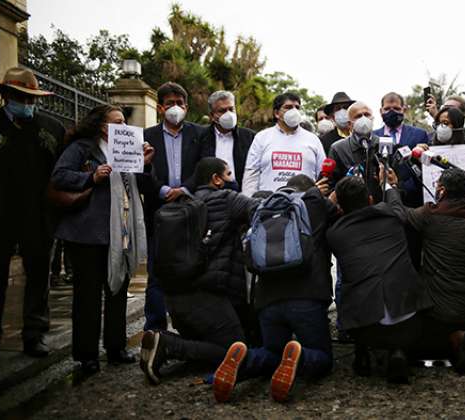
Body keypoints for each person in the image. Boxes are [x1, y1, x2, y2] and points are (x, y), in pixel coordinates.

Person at [0, 67, 65, 364]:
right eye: (21, 97)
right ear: (5, 96)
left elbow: (60, 174)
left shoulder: (51, 128)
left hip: (38, 216)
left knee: (39, 276)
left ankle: (34, 335)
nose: (27, 102)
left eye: (31, 97)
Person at [212, 174, 337, 403]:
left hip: (267, 301)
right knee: (322, 358)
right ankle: (300, 358)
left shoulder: (264, 209)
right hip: (306, 298)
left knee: (272, 353)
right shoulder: (314, 204)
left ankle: (245, 360)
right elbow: (335, 209)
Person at [52, 104, 153, 374]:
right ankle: (87, 355)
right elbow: (59, 176)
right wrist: (91, 177)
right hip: (86, 233)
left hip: (120, 231)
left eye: (123, 121)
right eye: (116, 121)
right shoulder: (83, 148)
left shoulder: (129, 149)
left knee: (117, 290)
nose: (122, 125)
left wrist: (145, 165)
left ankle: (116, 347)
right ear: (101, 125)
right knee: (87, 295)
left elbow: (141, 185)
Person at [139, 158, 254, 385]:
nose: (232, 179)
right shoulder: (227, 198)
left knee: (211, 348)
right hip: (205, 298)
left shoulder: (184, 202)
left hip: (175, 298)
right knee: (236, 352)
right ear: (216, 179)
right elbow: (262, 209)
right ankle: (168, 344)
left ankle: (163, 341)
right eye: (229, 174)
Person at [386, 167, 465, 373]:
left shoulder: (431, 215)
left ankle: (452, 338)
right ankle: (460, 335)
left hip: (440, 307)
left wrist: (393, 187)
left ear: (442, 191)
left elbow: (398, 213)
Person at [326, 176, 433, 383]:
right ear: (370, 199)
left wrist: (329, 202)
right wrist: (389, 182)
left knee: (353, 286)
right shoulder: (393, 215)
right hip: (408, 319)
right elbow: (395, 202)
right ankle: (398, 351)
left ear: (340, 206)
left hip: (365, 327)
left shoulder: (335, 234)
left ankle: (363, 354)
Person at [142, 82, 206, 331]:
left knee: (193, 270)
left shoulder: (199, 134)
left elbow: (204, 166)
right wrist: (162, 189)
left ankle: (191, 328)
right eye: (170, 103)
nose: (175, 108)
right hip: (158, 213)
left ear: (187, 107)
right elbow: (139, 173)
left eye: (180, 103)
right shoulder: (146, 136)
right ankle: (155, 330)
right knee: (157, 273)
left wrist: (185, 189)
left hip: (192, 210)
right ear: (159, 107)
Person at [242, 92, 326, 196]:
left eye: (297, 107)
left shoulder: (313, 139)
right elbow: (251, 174)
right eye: (288, 107)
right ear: (277, 113)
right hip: (269, 205)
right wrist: (249, 203)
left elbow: (322, 174)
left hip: (304, 206)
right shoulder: (262, 137)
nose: (294, 111)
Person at [373, 92, 429, 208]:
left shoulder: (419, 135)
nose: (392, 112)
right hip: (382, 201)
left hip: (412, 201)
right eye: (387, 108)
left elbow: (424, 170)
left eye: (396, 108)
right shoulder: (373, 136)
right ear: (381, 111)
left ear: (404, 110)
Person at [197, 90, 255, 191]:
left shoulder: (250, 137)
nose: (228, 114)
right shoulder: (200, 137)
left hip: (242, 196)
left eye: (231, 109)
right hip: (210, 197)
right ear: (212, 115)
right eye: (222, 111)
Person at [328, 102, 383, 201]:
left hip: (381, 209)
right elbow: (331, 184)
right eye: (358, 116)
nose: (363, 119)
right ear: (349, 124)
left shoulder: (384, 144)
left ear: (372, 119)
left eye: (367, 115)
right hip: (351, 210)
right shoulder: (338, 148)